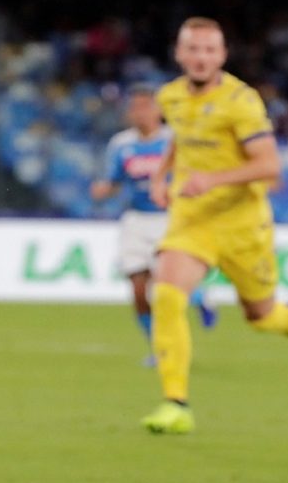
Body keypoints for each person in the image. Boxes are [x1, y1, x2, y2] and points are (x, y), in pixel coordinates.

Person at [142, 18, 288, 434]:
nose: (200, 58)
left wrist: (212, 180)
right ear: (179, 54)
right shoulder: (171, 96)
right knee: (167, 296)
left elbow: (269, 165)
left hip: (242, 226)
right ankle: (175, 403)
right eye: (193, 49)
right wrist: (161, 177)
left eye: (209, 50)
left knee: (262, 316)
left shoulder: (241, 102)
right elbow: (181, 137)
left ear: (222, 55)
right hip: (192, 221)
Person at [90, 85, 217, 367]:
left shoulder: (175, 140)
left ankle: (198, 297)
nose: (139, 113)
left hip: (169, 218)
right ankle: (159, 350)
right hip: (135, 220)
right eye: (134, 107)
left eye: (145, 106)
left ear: (158, 110)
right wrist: (104, 189)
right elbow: (114, 180)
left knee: (165, 283)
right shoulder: (121, 144)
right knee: (138, 290)